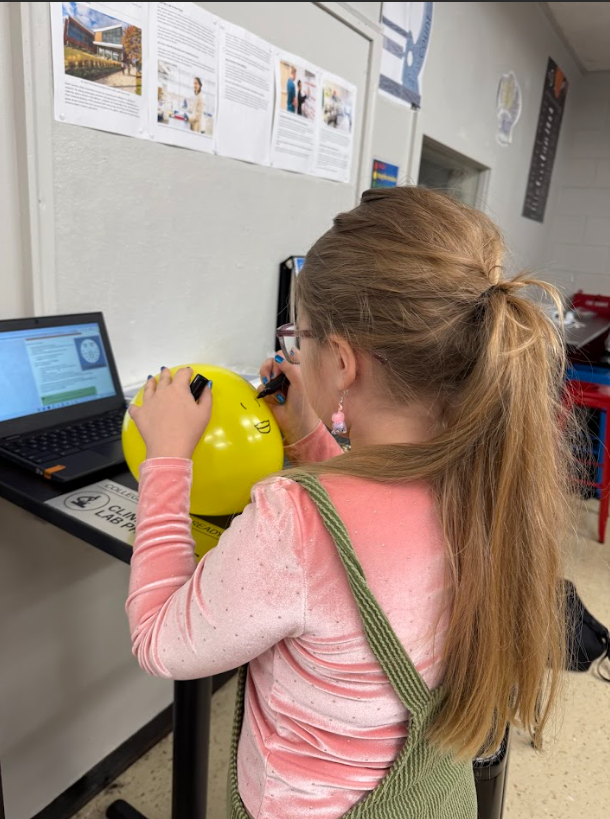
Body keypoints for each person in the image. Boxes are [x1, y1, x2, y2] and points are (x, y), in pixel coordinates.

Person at [126, 186, 571, 819]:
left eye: (300, 336)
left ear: (341, 359)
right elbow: (371, 534)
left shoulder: (294, 520)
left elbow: (159, 640)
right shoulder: (489, 477)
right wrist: (311, 434)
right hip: (427, 796)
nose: (294, 349)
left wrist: (168, 458)